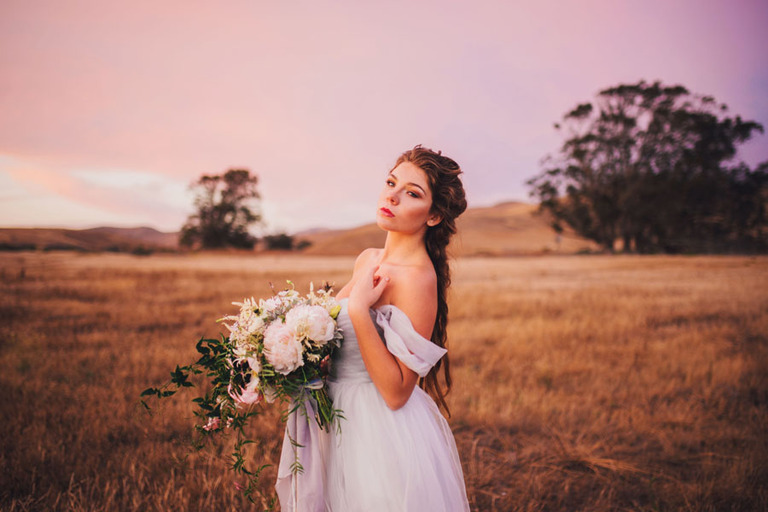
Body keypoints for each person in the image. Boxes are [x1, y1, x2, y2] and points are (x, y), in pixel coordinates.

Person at [276, 145, 470, 511]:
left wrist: (360, 310)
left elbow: (397, 392)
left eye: (412, 193)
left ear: (433, 217)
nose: (392, 196)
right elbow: (331, 334)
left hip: (375, 430)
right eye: (391, 182)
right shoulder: (369, 258)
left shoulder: (417, 280)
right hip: (333, 415)